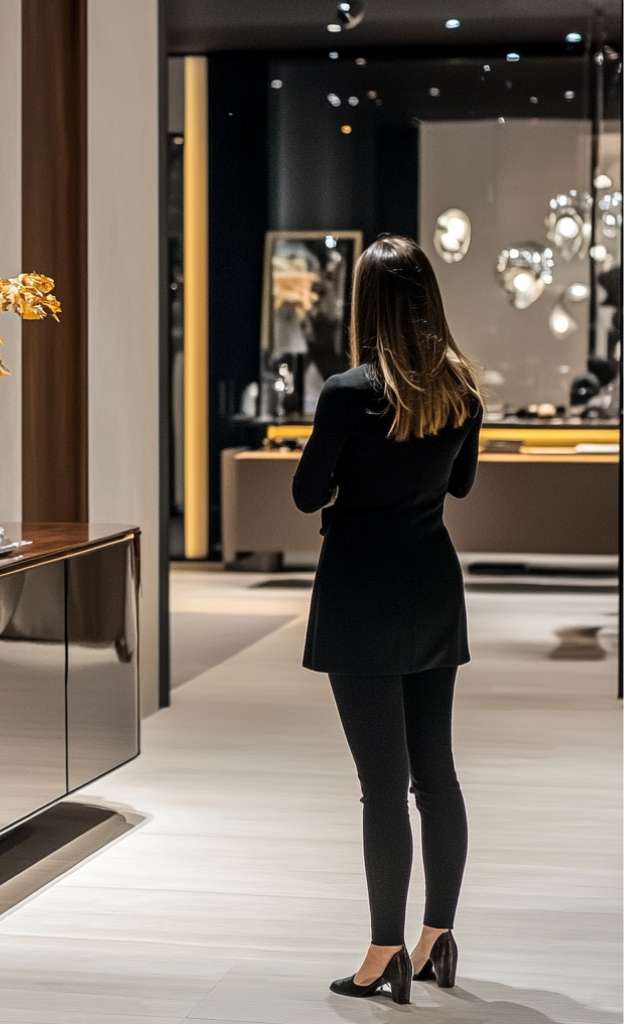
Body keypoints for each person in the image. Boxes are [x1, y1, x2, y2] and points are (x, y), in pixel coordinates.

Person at [292, 235, 483, 1005]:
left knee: (381, 785)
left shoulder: (346, 392)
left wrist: (350, 477)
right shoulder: (461, 388)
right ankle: (437, 937)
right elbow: (461, 484)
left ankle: (383, 953)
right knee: (434, 774)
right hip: (431, 584)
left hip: (360, 592)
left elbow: (309, 494)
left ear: (365, 306)